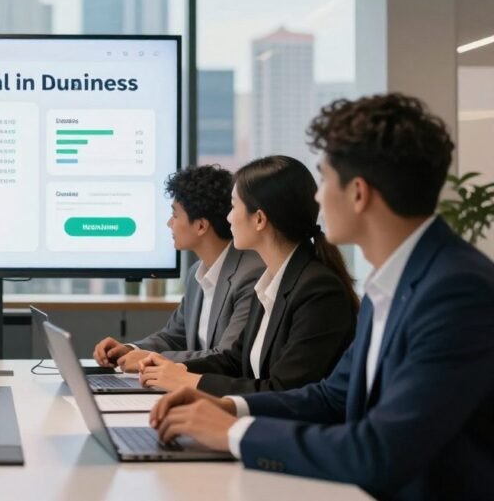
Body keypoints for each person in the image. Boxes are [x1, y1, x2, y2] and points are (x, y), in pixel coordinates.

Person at [149, 94, 494, 500]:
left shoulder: (456, 291)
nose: (317, 198)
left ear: (358, 194)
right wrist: (231, 408)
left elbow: (379, 450)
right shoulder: (394, 282)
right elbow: (332, 396)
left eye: (326, 180)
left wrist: (235, 433)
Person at [139, 156, 358, 396]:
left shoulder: (317, 290)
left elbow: (283, 389)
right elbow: (234, 360)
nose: (229, 217)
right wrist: (174, 369)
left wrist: (189, 382)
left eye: (233, 207)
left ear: (259, 219)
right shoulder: (271, 281)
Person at [93, 165, 264, 371]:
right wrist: (130, 349)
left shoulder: (251, 274)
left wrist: (150, 359)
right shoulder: (196, 274)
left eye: (175, 215)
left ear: (201, 226)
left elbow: (227, 356)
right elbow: (174, 336)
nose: (169, 223)